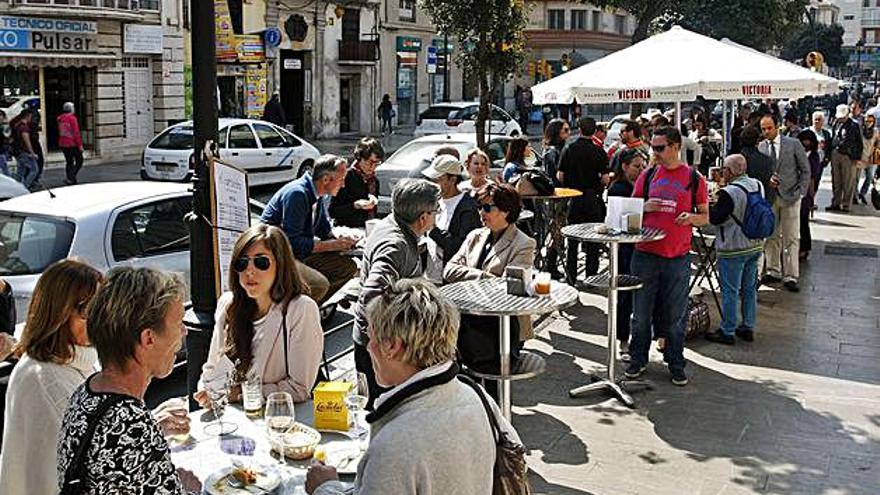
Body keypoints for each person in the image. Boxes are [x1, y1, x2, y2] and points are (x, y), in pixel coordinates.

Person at [306, 279, 521, 495]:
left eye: (370, 336)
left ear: (392, 346)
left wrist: (324, 488)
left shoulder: (394, 445)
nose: (368, 347)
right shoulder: (476, 395)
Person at [56, 267, 200, 494]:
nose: (184, 332)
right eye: (179, 323)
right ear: (148, 338)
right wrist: (188, 489)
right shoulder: (133, 424)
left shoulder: (85, 392)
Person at [0, 260, 103, 495]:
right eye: (88, 310)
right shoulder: (46, 381)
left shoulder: (69, 361)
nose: (99, 319)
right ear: (59, 312)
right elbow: (83, 472)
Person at [194, 224, 322, 405]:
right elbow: (212, 367)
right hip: (231, 419)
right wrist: (206, 390)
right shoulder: (228, 304)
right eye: (242, 262)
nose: (250, 271)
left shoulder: (300, 309)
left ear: (281, 264)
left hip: (277, 420)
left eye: (261, 262)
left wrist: (240, 394)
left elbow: (299, 388)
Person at [626, 126, 709, 386]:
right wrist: (643, 206)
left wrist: (692, 218)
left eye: (660, 148)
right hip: (645, 254)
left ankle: (675, 362)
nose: (655, 153)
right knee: (640, 315)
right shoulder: (648, 175)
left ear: (676, 147)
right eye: (653, 147)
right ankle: (637, 359)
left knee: (675, 316)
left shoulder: (694, 178)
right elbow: (627, 213)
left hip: (677, 258)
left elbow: (705, 217)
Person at [352, 179, 439, 408]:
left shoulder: (394, 225)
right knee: (381, 414)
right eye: (435, 211)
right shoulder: (396, 245)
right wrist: (383, 343)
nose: (436, 215)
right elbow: (371, 294)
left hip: (380, 348)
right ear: (423, 217)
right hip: (380, 353)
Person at [443, 183, 536, 397]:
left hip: (501, 326)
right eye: (480, 207)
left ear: (506, 211)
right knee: (468, 382)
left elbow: (507, 285)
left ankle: (498, 424)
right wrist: (484, 276)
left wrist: (469, 275)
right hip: (468, 321)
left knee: (494, 387)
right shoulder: (476, 235)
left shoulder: (523, 243)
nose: (481, 213)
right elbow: (449, 269)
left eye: (487, 208)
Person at [261, 154, 358, 303]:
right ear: (326, 179)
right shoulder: (297, 194)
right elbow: (291, 243)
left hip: (298, 252)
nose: (343, 185)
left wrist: (342, 242)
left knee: (347, 267)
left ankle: (309, 307)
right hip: (277, 255)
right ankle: (290, 314)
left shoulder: (317, 195)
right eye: (341, 179)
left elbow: (323, 229)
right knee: (319, 284)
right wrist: (330, 245)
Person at [705, 155, 765, 345]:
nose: (722, 172)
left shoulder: (729, 192)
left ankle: (728, 330)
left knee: (730, 290)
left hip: (733, 247)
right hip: (754, 243)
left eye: (724, 169)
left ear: (730, 171)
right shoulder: (757, 184)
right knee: (749, 288)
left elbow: (715, 218)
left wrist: (707, 205)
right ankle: (748, 326)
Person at [758, 115, 810, 292]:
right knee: (771, 235)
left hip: (791, 197)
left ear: (777, 127)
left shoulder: (793, 144)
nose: (766, 132)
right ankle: (773, 270)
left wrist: (800, 192)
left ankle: (791, 275)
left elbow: (805, 169)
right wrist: (767, 181)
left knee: (791, 237)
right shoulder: (762, 146)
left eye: (769, 128)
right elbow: (762, 172)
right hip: (771, 197)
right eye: (763, 129)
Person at [557, 116, 610, 285]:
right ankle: (591, 276)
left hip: (573, 197)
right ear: (594, 131)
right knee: (593, 239)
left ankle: (571, 277)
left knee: (572, 239)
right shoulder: (599, 151)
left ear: (579, 129)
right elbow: (605, 179)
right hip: (592, 198)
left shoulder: (569, 149)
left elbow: (560, 175)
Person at [607, 148, 646, 361]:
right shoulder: (618, 188)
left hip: (642, 246)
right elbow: (617, 219)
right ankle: (623, 339)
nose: (640, 170)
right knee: (624, 295)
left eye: (642, 166)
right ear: (624, 166)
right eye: (636, 166)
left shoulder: (642, 185)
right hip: (625, 248)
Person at [422, 155, 481, 282]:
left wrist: (433, 231)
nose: (434, 184)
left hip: (450, 281)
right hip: (430, 277)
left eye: (438, 180)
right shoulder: (434, 200)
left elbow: (461, 247)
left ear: (452, 179)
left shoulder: (467, 208)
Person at [329, 137, 383, 228]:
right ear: (359, 158)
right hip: (347, 231)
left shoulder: (374, 181)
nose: (372, 167)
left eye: (376, 163)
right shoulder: (345, 177)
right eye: (369, 162)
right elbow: (333, 211)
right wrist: (355, 205)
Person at [827, 104, 863, 213]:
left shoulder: (854, 125)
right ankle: (836, 202)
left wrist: (857, 157)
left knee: (848, 181)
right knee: (836, 180)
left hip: (848, 155)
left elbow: (859, 143)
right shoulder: (836, 123)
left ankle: (846, 204)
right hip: (835, 153)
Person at [797, 130, 822, 260]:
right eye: (804, 140)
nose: (806, 143)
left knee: (803, 221)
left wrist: (811, 197)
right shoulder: (797, 153)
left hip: (806, 193)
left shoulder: (814, 157)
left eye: (808, 140)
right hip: (795, 191)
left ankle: (805, 248)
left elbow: (813, 178)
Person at [740, 125, 775, 205]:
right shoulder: (767, 160)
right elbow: (769, 185)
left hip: (743, 202)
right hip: (762, 201)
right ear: (757, 141)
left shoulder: (737, 160)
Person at [9, 109, 39, 188]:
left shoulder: (17, 125)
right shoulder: (24, 127)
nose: (31, 119)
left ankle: (17, 188)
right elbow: (27, 141)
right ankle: (25, 187)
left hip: (17, 152)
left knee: (20, 172)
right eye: (31, 117)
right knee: (34, 170)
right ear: (28, 116)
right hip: (24, 152)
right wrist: (32, 153)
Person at [58, 102, 84, 185]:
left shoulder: (60, 118)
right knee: (79, 160)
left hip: (63, 143)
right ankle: (71, 177)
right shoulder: (72, 118)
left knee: (69, 161)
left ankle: (70, 178)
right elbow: (76, 132)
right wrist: (80, 145)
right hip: (71, 143)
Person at [856, 114, 879, 205]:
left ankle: (863, 193)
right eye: (867, 121)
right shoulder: (860, 131)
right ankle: (855, 194)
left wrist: (876, 156)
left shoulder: (876, 131)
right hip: (861, 157)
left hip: (871, 158)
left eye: (870, 121)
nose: (868, 123)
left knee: (869, 177)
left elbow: (878, 144)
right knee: (856, 178)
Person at [542, 118, 569, 186]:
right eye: (566, 130)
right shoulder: (552, 151)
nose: (569, 132)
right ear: (557, 130)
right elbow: (551, 174)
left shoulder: (561, 147)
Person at [0, 110, 11, 177]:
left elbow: (7, 137)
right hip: (1, 154)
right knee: (6, 173)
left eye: (1, 115)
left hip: (2, 152)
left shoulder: (3, 127)